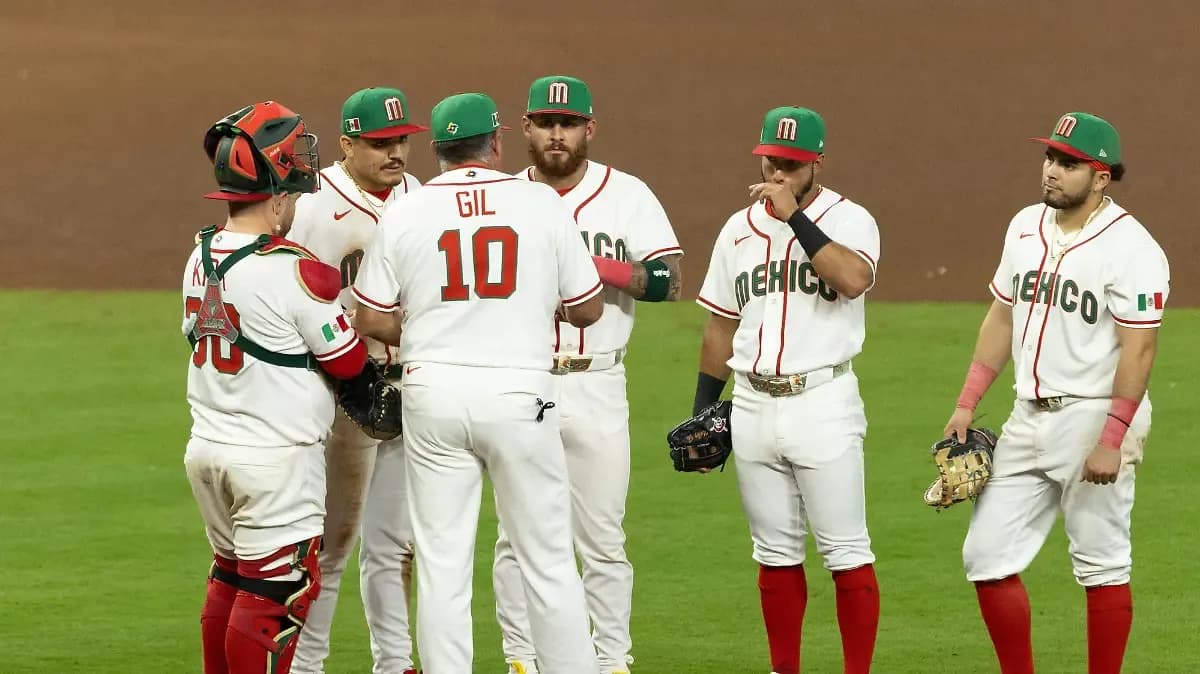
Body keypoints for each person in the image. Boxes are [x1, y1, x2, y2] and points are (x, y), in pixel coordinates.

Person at [353, 92, 603, 674]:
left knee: (442, 564)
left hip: (433, 394)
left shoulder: (407, 210)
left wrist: (427, 326)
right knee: (546, 558)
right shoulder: (539, 202)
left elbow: (369, 316)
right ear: (495, 143)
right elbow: (588, 308)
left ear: (437, 149)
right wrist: (525, 308)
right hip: (520, 395)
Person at [943, 112, 1168, 674]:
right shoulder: (1024, 225)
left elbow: (1139, 350)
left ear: (1101, 177)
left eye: (1069, 163)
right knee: (985, 557)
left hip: (1093, 418)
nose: (1052, 170)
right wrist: (967, 403)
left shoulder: (1133, 247)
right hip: (1026, 418)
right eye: (1050, 157)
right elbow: (1001, 316)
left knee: (1101, 565)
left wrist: (1112, 437)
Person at [491, 74, 683, 674]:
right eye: (545, 123)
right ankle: (522, 658)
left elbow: (669, 281)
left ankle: (612, 661)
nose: (556, 134)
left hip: (597, 381)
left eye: (568, 123)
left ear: (588, 129)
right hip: (522, 382)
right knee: (514, 539)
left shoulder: (627, 195)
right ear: (525, 128)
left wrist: (589, 263)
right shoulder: (500, 197)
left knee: (602, 539)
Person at [183, 101, 373, 674]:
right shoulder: (297, 269)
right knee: (274, 600)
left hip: (208, 450)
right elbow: (348, 361)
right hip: (276, 462)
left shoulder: (198, 255)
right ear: (276, 189)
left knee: (231, 579)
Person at [692, 106, 882, 674]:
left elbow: (851, 280)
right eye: (771, 159)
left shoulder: (851, 220)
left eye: (792, 164)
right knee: (774, 555)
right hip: (751, 403)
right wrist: (705, 409)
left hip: (822, 402)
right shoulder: (737, 230)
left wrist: (794, 216)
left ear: (816, 163)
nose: (778, 171)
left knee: (846, 553)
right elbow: (721, 323)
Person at [288, 86, 428, 674]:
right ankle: (306, 665)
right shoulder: (313, 206)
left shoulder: (418, 195)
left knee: (397, 542)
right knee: (333, 542)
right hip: (342, 394)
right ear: (346, 144)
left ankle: (395, 663)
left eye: (401, 140)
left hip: (410, 388)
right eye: (379, 142)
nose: (394, 152)